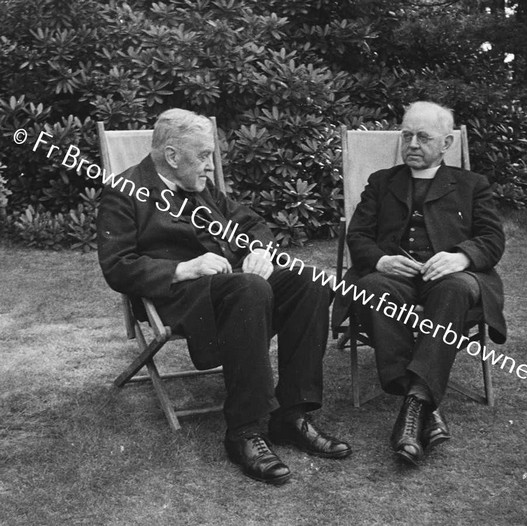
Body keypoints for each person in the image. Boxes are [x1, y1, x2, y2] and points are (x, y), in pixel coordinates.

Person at [97, 108, 351, 485]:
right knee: (250, 287)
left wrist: (259, 250)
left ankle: (291, 415)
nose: (210, 167)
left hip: (232, 288)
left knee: (308, 280)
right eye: (203, 157)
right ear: (171, 156)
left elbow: (251, 224)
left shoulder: (202, 189)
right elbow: (117, 265)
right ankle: (244, 431)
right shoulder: (124, 192)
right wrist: (187, 268)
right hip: (178, 297)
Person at [332, 101, 506, 465]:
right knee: (374, 287)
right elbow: (358, 235)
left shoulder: (472, 185)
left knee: (455, 289)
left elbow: (492, 239)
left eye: (422, 137)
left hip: (453, 276)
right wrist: (381, 259)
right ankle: (423, 404)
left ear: (446, 144)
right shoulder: (382, 182)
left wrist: (460, 256)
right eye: (406, 135)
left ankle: (414, 407)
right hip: (396, 276)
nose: (411, 143)